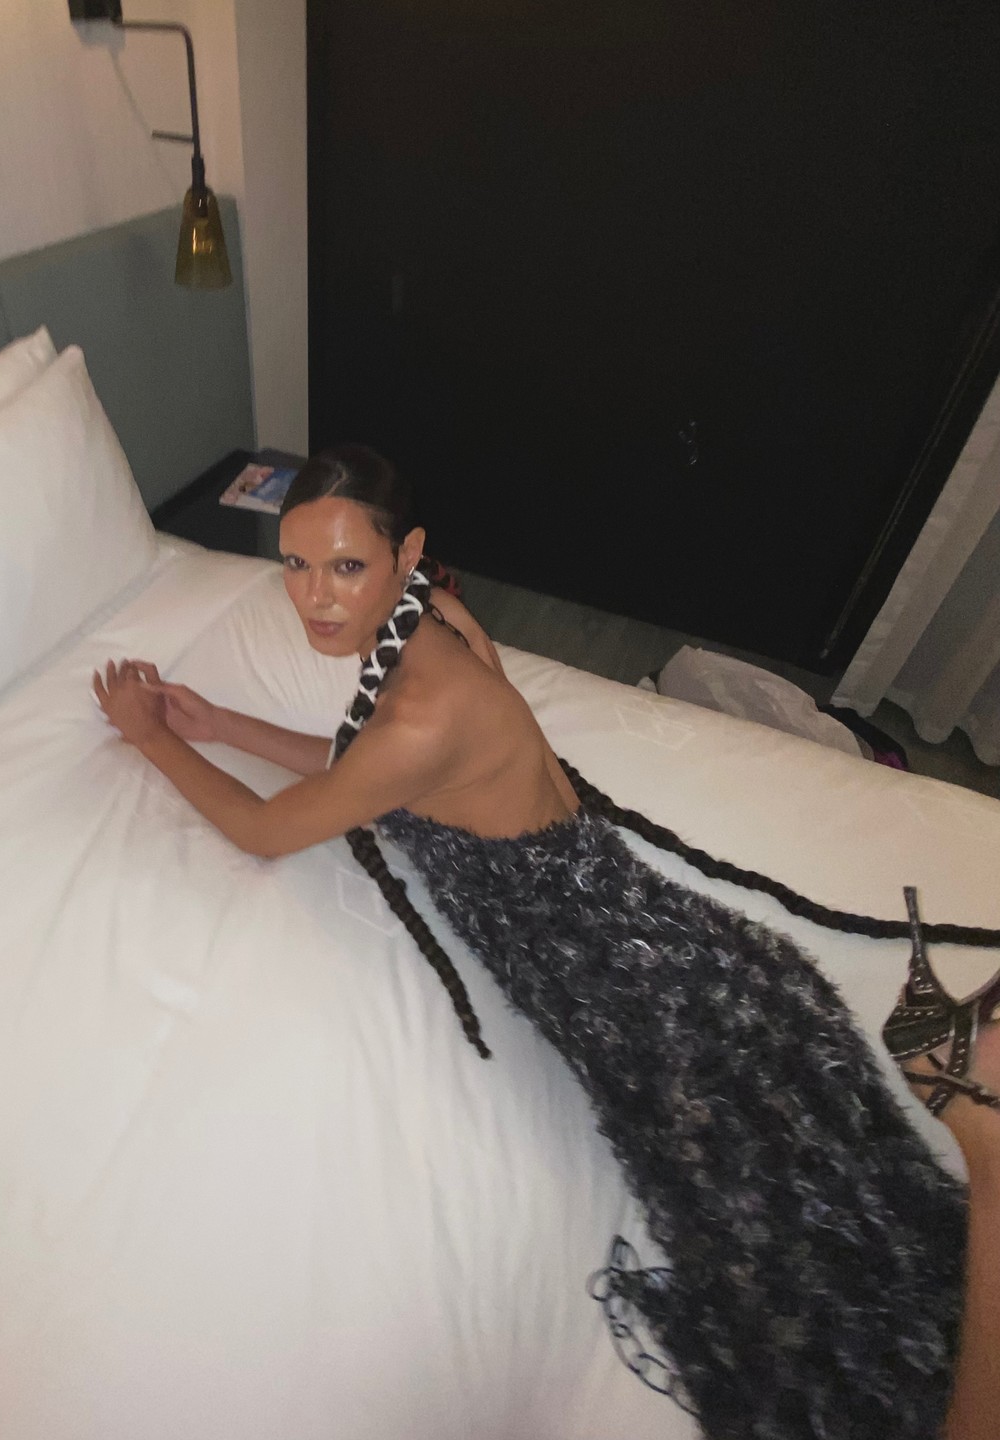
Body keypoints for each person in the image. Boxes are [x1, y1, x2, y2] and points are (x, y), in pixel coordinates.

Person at [94, 445, 1000, 1440]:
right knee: (874, 1244)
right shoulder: (432, 618)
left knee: (831, 1332)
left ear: (407, 554)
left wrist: (153, 738)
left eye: (346, 566)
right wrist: (223, 722)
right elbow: (366, 769)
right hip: (683, 959)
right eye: (297, 565)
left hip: (655, 1019)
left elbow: (272, 829)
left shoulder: (423, 716)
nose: (314, 597)